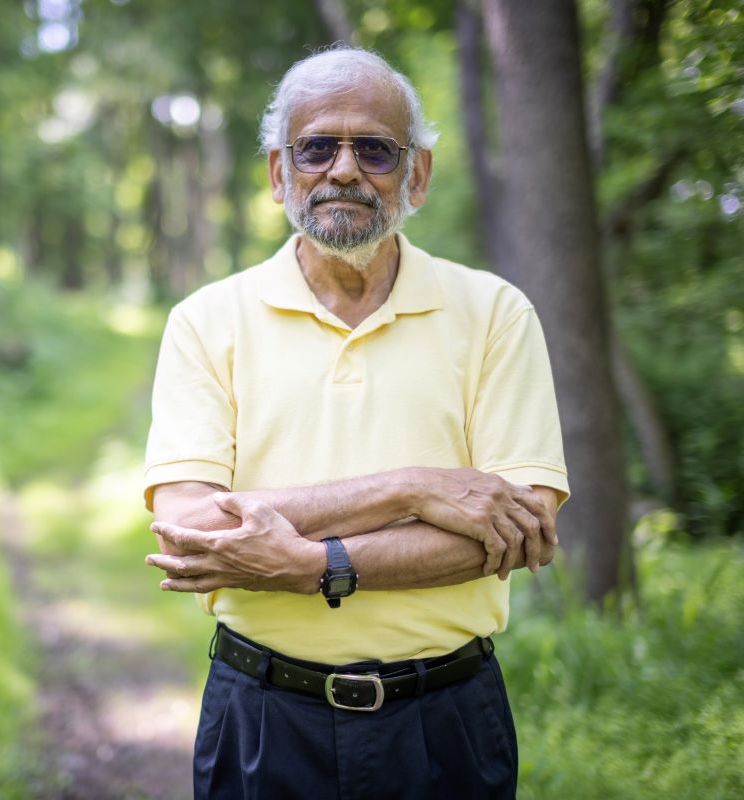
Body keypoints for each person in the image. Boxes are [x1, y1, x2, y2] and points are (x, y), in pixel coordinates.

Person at [142, 45, 569, 800]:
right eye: (316, 148)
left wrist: (313, 566)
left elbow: (521, 525)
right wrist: (414, 488)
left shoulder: (496, 313)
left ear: (418, 175)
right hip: (263, 715)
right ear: (280, 173)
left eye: (374, 148)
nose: (344, 171)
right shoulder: (206, 321)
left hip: (446, 721)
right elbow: (192, 530)